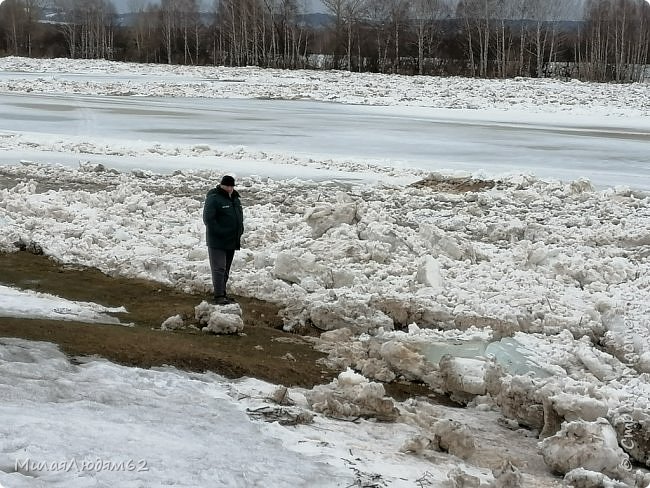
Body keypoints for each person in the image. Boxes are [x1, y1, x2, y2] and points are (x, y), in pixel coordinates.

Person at [203, 175, 244, 305]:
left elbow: (239, 216)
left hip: (232, 240)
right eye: (227, 186)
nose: (229, 189)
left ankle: (223, 293)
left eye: (231, 186)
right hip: (217, 240)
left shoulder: (235, 199)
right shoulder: (214, 198)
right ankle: (219, 295)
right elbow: (208, 219)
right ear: (222, 185)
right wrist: (220, 231)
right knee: (219, 267)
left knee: (226, 268)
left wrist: (240, 230)